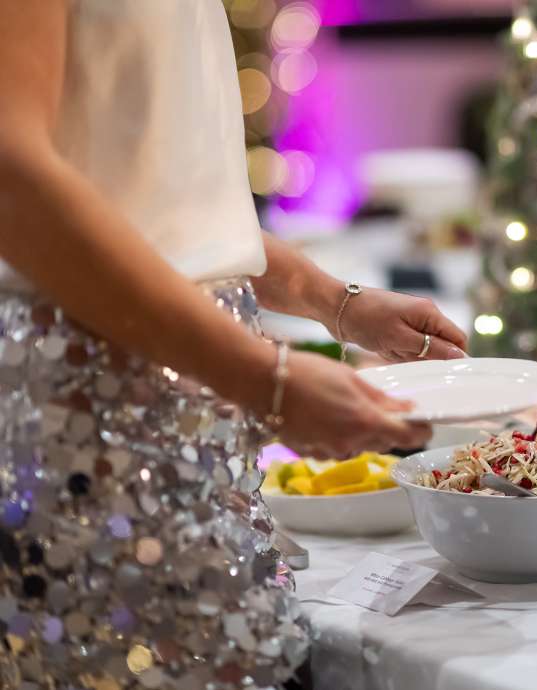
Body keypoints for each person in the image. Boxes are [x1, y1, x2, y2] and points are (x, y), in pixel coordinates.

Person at [0, 2, 466, 688]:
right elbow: (13, 181)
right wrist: (262, 378)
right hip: (91, 421)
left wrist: (336, 303)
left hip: (199, 426)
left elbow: (169, 205)